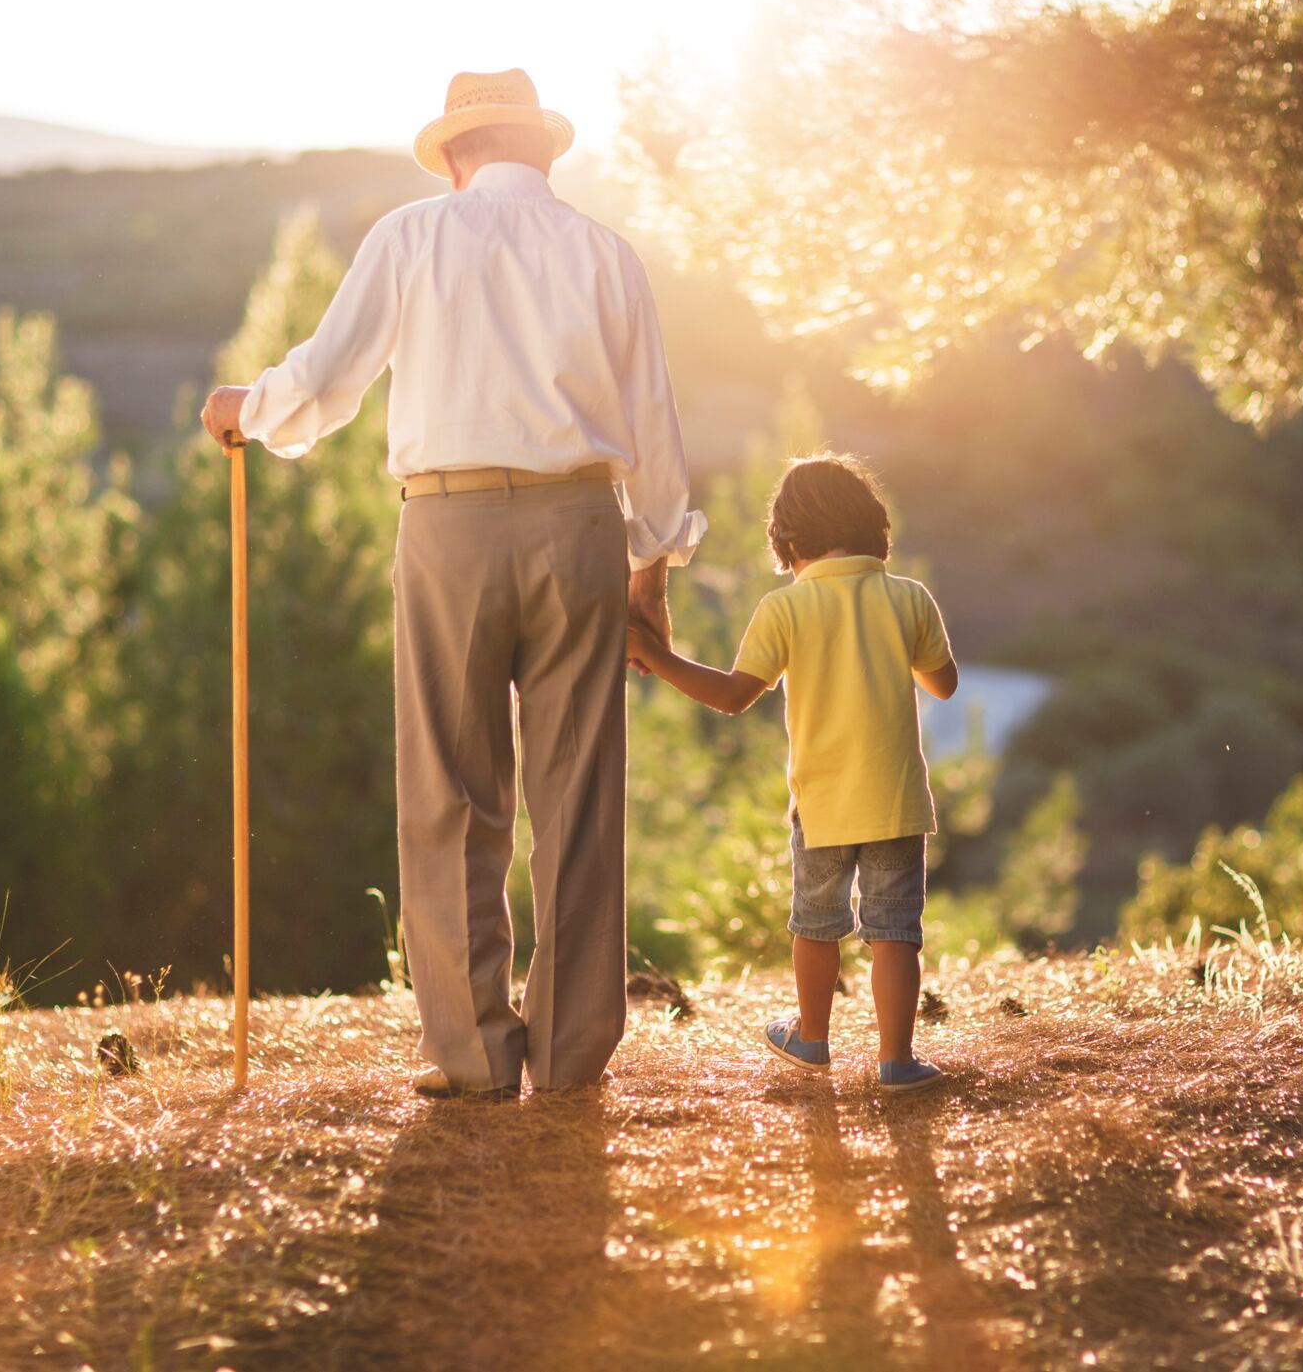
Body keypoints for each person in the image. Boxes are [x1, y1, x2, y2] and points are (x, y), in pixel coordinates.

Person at [199, 69, 704, 1100]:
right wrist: (649, 570)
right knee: (578, 793)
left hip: (448, 525)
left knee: (449, 790)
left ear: (458, 154)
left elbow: (328, 381)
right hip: (581, 527)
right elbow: (653, 426)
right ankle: (568, 1057)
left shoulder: (411, 236)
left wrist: (246, 407)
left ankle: (473, 1054)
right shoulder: (607, 254)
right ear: (541, 150)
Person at [626, 453, 957, 1093]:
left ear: (790, 542)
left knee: (816, 924)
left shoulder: (785, 608)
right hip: (895, 801)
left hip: (824, 802)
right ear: (872, 530)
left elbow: (731, 697)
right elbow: (943, 685)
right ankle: (897, 1061)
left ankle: (811, 1037)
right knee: (894, 931)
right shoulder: (909, 597)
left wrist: (654, 655)